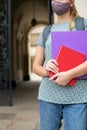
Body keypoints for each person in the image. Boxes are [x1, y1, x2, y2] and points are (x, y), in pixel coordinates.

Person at [33, 0, 87, 130]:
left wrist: (70, 74)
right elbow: (35, 66)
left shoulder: (83, 24)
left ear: (72, 2)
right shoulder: (46, 31)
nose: (56, 1)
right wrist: (46, 70)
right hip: (48, 97)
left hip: (78, 98)